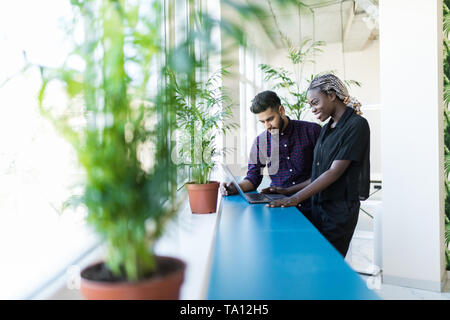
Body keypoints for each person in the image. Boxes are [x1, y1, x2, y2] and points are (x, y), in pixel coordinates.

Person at [264, 74, 370, 257]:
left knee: (328, 266)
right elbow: (318, 174)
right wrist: (287, 191)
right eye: (310, 105)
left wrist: (295, 198)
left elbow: (334, 172)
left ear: (331, 95)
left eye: (315, 102)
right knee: (314, 263)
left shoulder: (357, 125)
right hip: (318, 208)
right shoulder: (327, 129)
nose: (312, 109)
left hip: (339, 212)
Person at [220, 90, 322, 221]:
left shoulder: (312, 131)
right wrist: (234, 187)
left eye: (270, 119)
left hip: (315, 206)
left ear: (281, 110)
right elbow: (252, 179)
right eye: (262, 122)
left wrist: (291, 192)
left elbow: (323, 173)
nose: (267, 126)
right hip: (280, 209)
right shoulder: (260, 142)